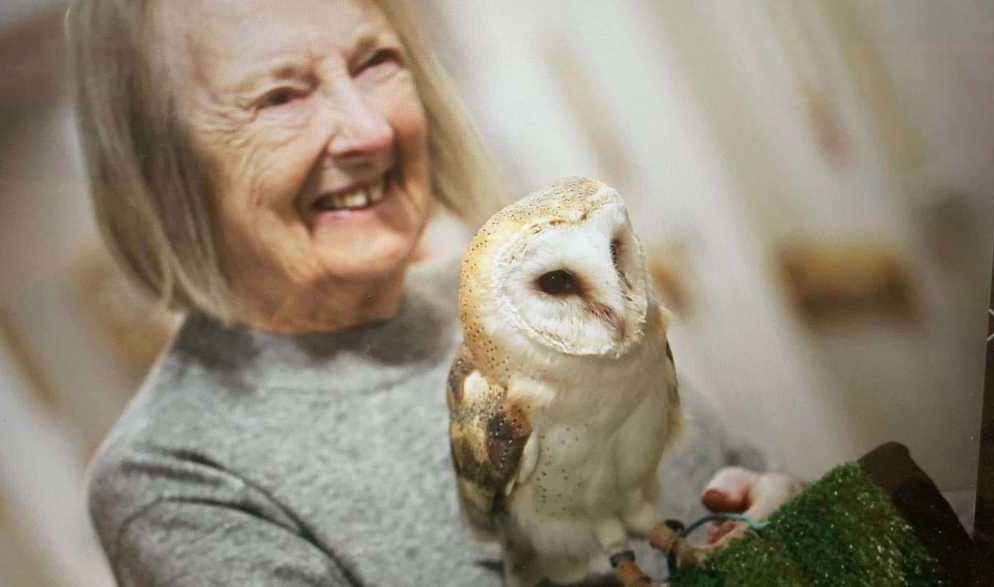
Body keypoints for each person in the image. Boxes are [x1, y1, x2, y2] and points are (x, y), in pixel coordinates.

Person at [69, 0, 803, 585]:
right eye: (280, 96)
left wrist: (795, 521)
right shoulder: (173, 477)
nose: (367, 127)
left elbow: (740, 488)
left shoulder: (525, 296)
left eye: (377, 61)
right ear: (163, 167)